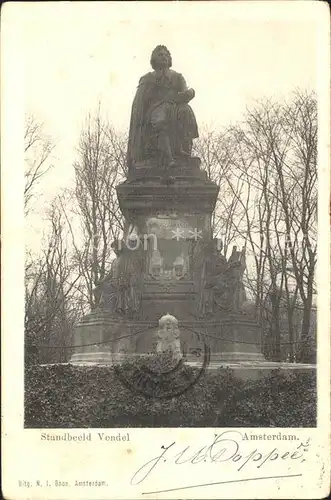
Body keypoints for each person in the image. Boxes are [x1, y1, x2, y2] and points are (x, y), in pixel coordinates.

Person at [127, 45, 199, 170]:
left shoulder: (177, 77)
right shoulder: (148, 79)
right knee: (160, 119)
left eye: (166, 55)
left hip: (174, 107)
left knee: (186, 111)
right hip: (154, 110)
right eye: (160, 55)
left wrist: (190, 93)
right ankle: (168, 157)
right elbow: (140, 104)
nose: (164, 57)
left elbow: (185, 93)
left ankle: (183, 151)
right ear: (154, 59)